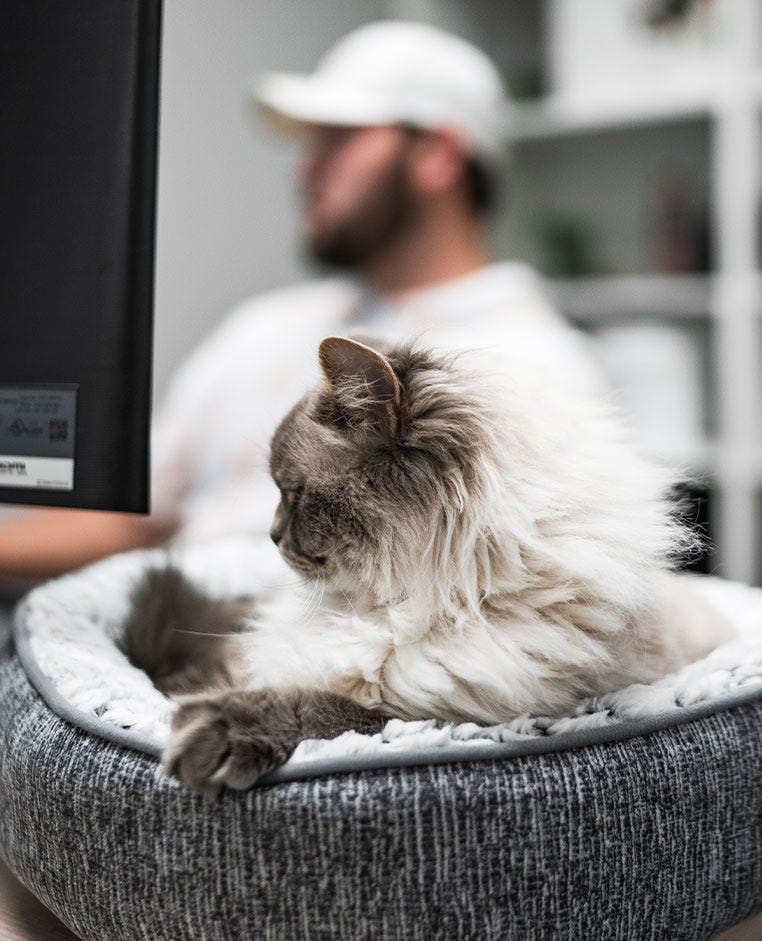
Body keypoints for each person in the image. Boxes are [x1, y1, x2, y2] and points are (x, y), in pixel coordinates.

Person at [0, 19, 603, 583]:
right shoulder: (263, 327)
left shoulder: (538, 369)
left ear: (437, 155)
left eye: (338, 140)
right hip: (160, 635)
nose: (304, 171)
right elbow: (128, 518)